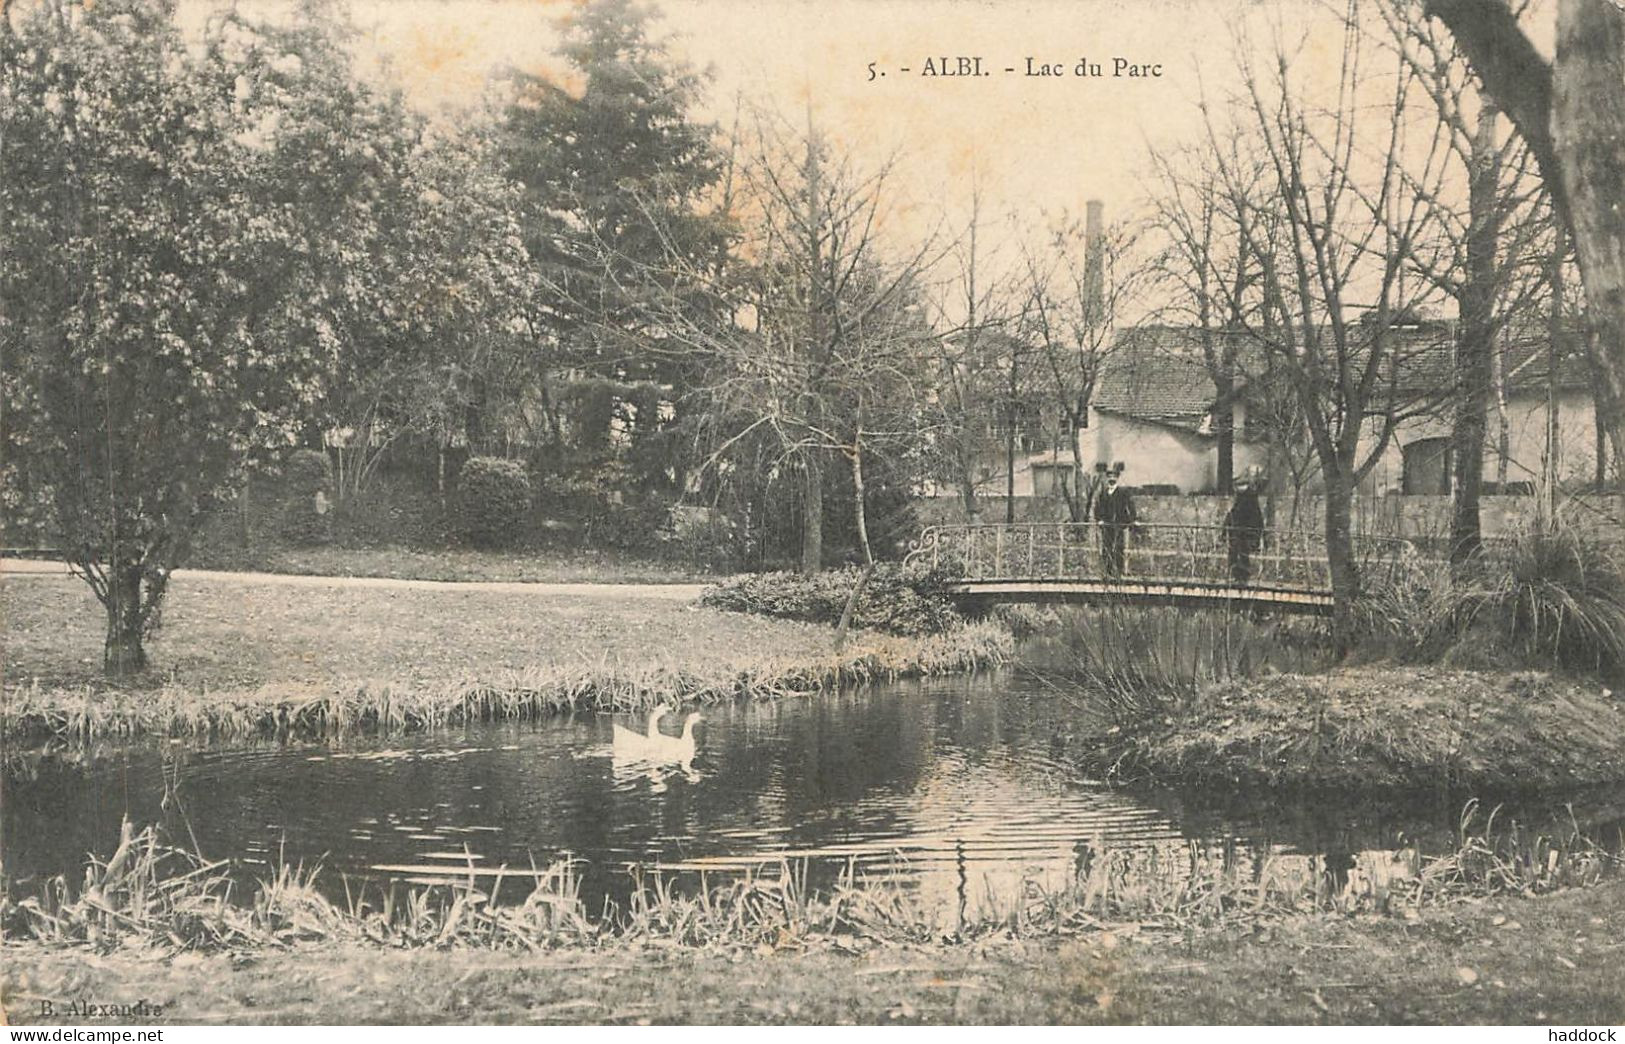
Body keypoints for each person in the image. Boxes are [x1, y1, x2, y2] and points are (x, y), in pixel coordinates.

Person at [1093, 463, 1137, 578]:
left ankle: (1119, 572)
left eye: (1114, 477)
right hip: (1107, 525)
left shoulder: (1123, 492)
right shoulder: (1103, 493)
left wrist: (1132, 520)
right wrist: (1099, 520)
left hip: (1119, 524)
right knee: (1106, 548)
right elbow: (1097, 508)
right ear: (1107, 479)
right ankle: (1107, 572)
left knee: (1119, 548)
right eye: (1109, 477)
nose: (1112, 479)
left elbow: (1131, 506)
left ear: (1117, 478)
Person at [1223, 477, 1265, 584]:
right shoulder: (1245, 499)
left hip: (1244, 533)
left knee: (1240, 554)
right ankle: (1238, 577)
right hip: (1240, 532)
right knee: (1238, 554)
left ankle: (1239, 577)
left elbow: (1235, 515)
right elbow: (1232, 515)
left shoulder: (1248, 499)